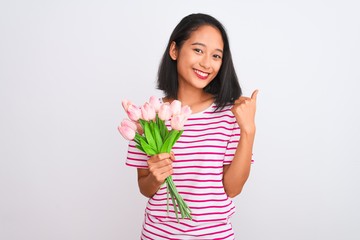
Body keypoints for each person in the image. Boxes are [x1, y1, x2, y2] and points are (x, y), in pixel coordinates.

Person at [126, 13, 258, 239]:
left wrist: (248, 130)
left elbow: (233, 189)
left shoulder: (229, 115)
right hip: (159, 234)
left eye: (216, 56)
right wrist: (155, 177)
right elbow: (145, 189)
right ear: (174, 50)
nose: (207, 63)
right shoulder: (149, 116)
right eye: (198, 50)